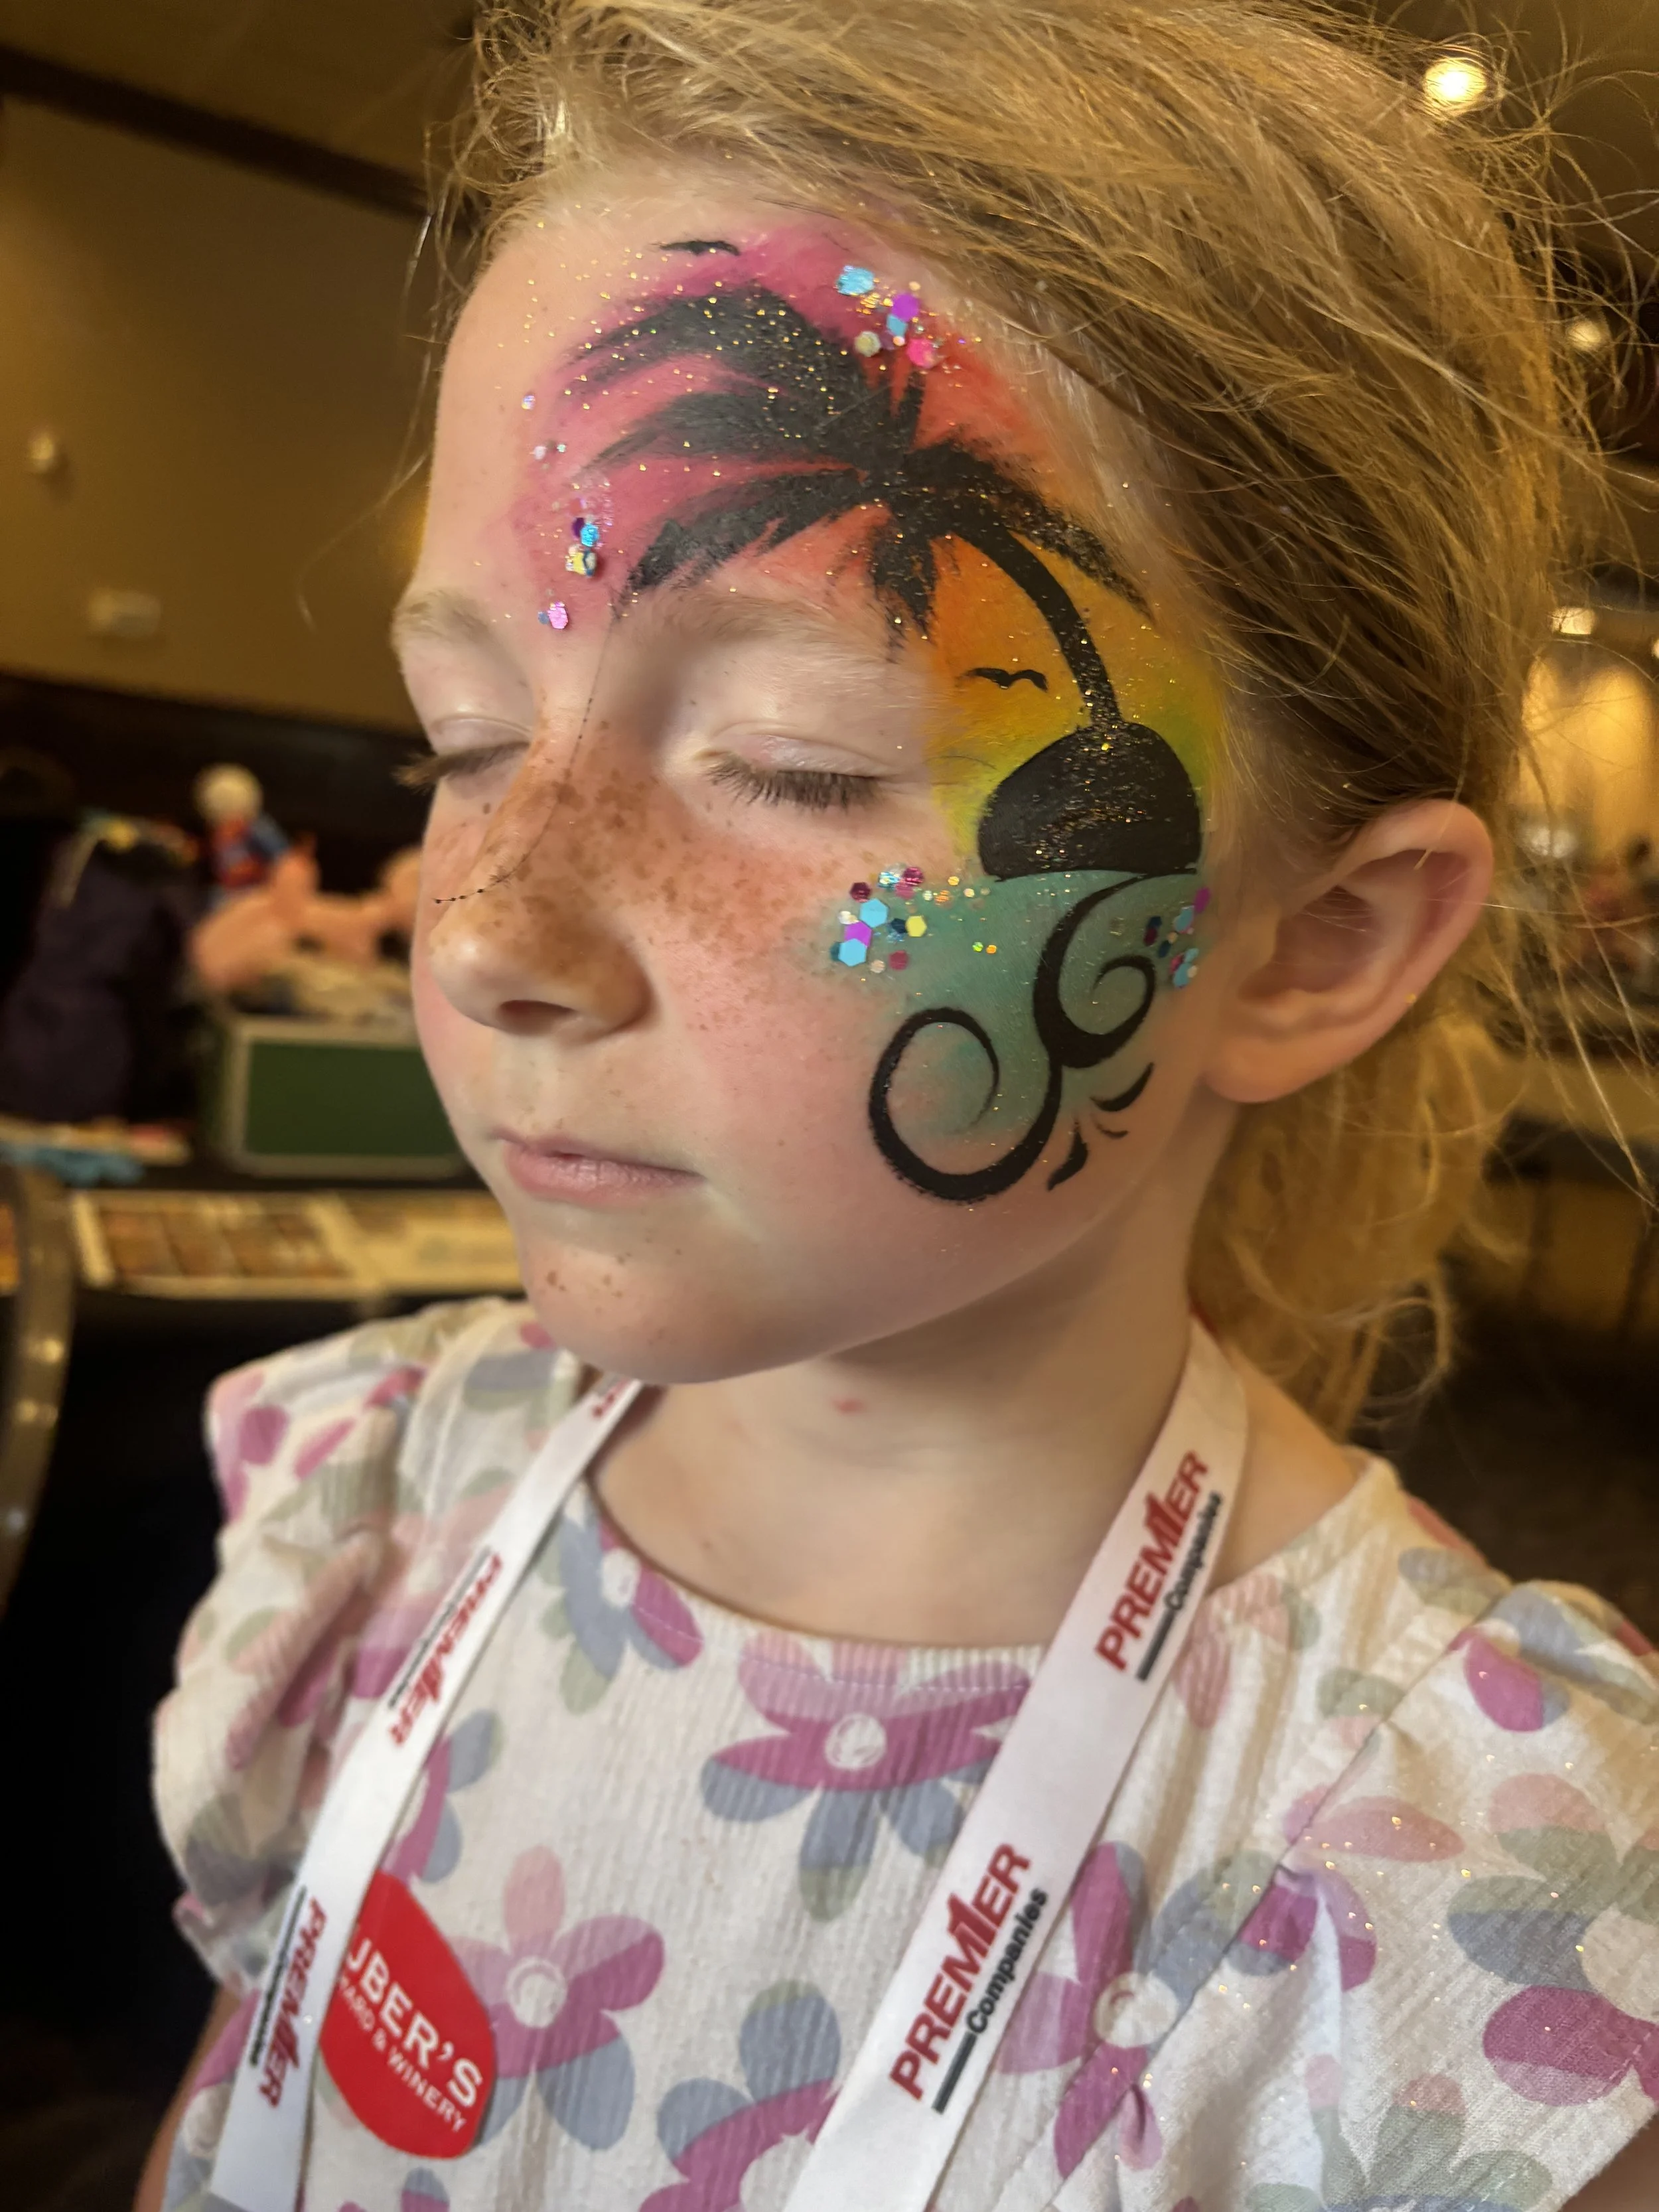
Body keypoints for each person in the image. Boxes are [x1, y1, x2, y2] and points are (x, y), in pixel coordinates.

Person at [137, 3, 1659, 2208]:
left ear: (1313, 938)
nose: (487, 928)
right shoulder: (381, 1509)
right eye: (466, 735)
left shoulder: (1442, 1910)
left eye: (797, 766)